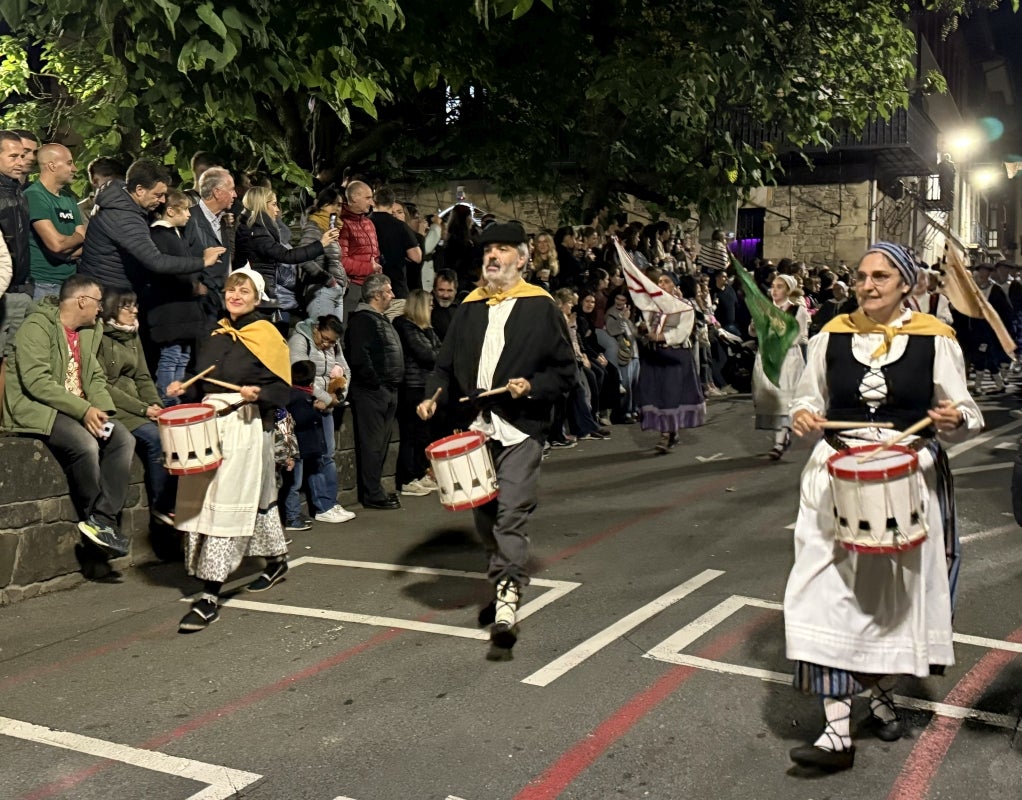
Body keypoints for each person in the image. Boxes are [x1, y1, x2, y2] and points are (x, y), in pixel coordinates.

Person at [784, 242, 983, 773]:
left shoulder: (935, 340)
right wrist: (803, 415)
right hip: (835, 475)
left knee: (892, 604)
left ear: (906, 283)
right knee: (819, 595)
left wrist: (952, 418)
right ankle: (835, 733)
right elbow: (808, 396)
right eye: (862, 277)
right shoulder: (831, 334)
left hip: (907, 477)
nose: (867, 286)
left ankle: (877, 691)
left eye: (880, 276)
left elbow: (967, 408)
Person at [418, 223, 576, 658]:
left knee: (511, 510)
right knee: (485, 515)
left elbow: (565, 373)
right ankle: (502, 576)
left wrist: (533, 386)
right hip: (476, 427)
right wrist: (432, 397)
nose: (493, 256)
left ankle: (508, 596)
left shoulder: (541, 307)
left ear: (522, 259)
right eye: (489, 249)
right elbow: (444, 368)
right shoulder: (469, 307)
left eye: (503, 249)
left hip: (521, 426)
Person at [166, 267, 292, 632]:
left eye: (244, 291)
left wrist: (261, 393)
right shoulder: (214, 332)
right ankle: (276, 560)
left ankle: (209, 596)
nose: (236, 295)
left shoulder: (267, 335)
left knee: (226, 503)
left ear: (257, 298)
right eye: (232, 289)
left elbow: (282, 391)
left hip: (243, 424)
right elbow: (198, 380)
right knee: (216, 501)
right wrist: (182, 391)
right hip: (208, 423)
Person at [2, 275, 134, 557]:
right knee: (84, 444)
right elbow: (37, 382)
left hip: (78, 407)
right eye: (98, 302)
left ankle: (103, 518)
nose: (101, 309)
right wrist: (83, 410)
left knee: (121, 437)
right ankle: (94, 515)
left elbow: (95, 376)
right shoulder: (36, 327)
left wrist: (99, 410)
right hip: (40, 407)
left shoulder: (90, 330)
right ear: (82, 300)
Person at [97, 286, 176, 525]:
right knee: (156, 438)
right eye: (126, 306)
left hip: (137, 403)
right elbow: (104, 385)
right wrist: (143, 410)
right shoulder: (98, 336)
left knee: (173, 432)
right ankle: (162, 506)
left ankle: (176, 501)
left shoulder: (132, 334)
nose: (134, 311)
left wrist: (155, 404)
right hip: (115, 406)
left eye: (135, 305)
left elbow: (142, 375)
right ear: (112, 308)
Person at [286, 313, 354, 526]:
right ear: (316, 328)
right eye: (324, 339)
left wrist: (338, 397)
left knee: (327, 455)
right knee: (307, 458)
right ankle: (314, 508)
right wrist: (326, 398)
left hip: (326, 406)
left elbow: (346, 370)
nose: (327, 345)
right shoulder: (299, 340)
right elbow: (298, 375)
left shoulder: (334, 344)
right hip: (306, 406)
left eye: (332, 342)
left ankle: (328, 504)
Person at [345, 273, 404, 510]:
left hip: (385, 389)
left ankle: (376, 489)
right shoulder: (363, 321)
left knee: (379, 444)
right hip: (373, 391)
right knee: (372, 445)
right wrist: (376, 384)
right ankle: (372, 494)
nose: (392, 295)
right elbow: (360, 357)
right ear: (377, 294)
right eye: (389, 291)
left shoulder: (379, 319)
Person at [234, 186, 335, 320]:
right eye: (274, 204)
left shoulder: (252, 229)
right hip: (258, 296)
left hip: (259, 293)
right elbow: (287, 256)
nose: (277, 210)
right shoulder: (257, 233)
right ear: (262, 205)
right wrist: (321, 244)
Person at [147, 189, 209, 404]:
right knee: (171, 356)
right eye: (185, 210)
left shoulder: (175, 235)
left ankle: (178, 399)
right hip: (170, 311)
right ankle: (167, 399)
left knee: (182, 355)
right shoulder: (160, 236)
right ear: (171, 211)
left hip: (182, 312)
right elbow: (172, 269)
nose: (189, 215)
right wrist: (192, 280)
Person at [636, 269, 705, 454]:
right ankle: (669, 432)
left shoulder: (685, 307)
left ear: (674, 285)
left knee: (671, 395)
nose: (662, 285)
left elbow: (682, 332)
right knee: (657, 395)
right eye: (659, 282)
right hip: (655, 356)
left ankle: (666, 434)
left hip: (675, 356)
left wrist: (660, 337)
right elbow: (647, 327)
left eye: (666, 281)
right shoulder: (651, 307)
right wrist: (643, 330)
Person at [751, 274, 809, 459]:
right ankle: (782, 437)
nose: (774, 290)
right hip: (767, 359)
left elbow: (800, 335)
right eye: (773, 286)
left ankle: (779, 442)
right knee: (772, 400)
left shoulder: (797, 310)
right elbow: (753, 331)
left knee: (784, 400)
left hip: (788, 359)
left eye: (780, 287)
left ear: (788, 290)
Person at [393, 289, 441, 497]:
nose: (432, 308)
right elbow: (427, 355)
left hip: (425, 387)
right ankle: (407, 479)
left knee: (423, 434)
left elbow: (441, 351)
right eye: (429, 304)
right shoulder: (405, 326)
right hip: (412, 388)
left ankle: (420, 472)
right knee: (410, 435)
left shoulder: (425, 329)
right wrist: (437, 353)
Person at [26, 143, 85, 300]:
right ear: (51, 166)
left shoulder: (68, 198)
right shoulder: (34, 195)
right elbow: (56, 244)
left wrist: (64, 252)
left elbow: (85, 242)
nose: (74, 169)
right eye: (69, 163)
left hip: (69, 284)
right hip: (42, 285)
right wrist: (77, 238)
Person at [297, 185, 347, 323]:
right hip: (321, 290)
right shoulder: (314, 226)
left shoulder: (331, 228)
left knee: (333, 340)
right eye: (333, 204)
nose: (337, 209)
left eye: (340, 205)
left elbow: (334, 260)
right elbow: (303, 258)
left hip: (335, 291)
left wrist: (343, 281)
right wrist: (328, 279)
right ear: (322, 204)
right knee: (321, 337)